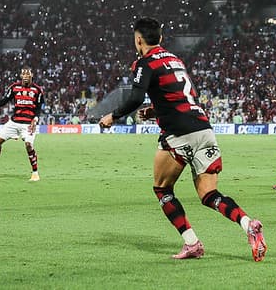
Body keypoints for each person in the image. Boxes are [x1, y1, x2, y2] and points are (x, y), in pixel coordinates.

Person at [98, 18, 266, 261]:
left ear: (138, 39)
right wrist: (156, 110)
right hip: (204, 129)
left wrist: (112, 116)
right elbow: (183, 97)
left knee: (162, 189)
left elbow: (135, 98)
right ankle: (247, 223)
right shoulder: (175, 60)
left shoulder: (145, 63)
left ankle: (192, 243)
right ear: (161, 38)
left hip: (179, 134)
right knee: (210, 195)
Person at [0, 67, 44, 182]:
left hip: (28, 124)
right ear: (21, 76)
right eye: (23, 74)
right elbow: (4, 100)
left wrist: (35, 119)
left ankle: (35, 173)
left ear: (31, 76)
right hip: (14, 122)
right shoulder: (14, 88)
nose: (25, 76)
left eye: (28, 74)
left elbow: (38, 108)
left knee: (29, 145)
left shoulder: (37, 90)